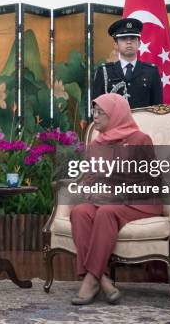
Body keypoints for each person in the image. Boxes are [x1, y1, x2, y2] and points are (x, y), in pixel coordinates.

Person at [69, 93, 162, 305]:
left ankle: (91, 280)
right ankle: (102, 279)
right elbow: (90, 178)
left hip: (141, 202)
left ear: (117, 114)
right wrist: (92, 193)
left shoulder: (141, 140)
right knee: (79, 212)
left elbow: (156, 182)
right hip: (106, 200)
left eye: (101, 112)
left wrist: (120, 194)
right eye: (94, 111)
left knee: (106, 212)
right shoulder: (96, 143)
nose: (95, 116)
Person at [91, 18, 163, 108]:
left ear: (139, 43)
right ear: (116, 45)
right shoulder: (104, 72)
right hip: (115, 122)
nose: (129, 42)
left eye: (133, 38)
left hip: (142, 122)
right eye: (123, 39)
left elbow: (157, 108)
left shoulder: (151, 72)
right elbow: (97, 108)